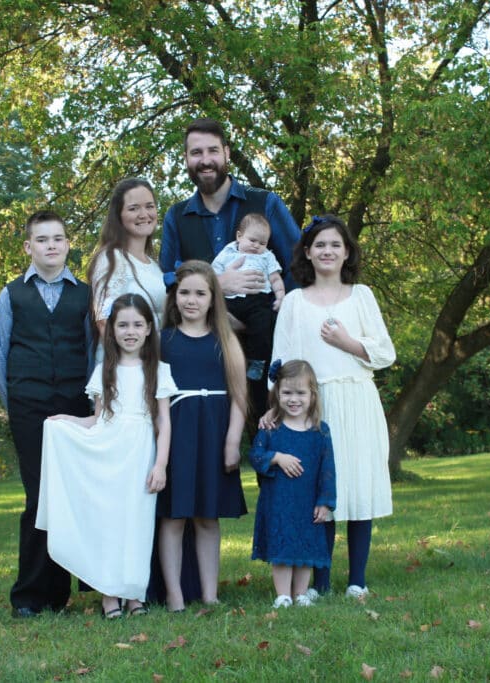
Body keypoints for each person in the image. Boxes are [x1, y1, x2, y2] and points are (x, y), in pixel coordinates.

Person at [269, 214, 396, 600]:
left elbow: (385, 354)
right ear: (307, 252)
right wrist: (277, 408)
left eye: (335, 245)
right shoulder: (294, 301)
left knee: (358, 485)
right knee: (319, 489)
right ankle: (318, 581)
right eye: (320, 245)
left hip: (357, 401)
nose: (327, 251)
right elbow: (281, 361)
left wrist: (347, 342)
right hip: (313, 408)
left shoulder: (362, 296)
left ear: (346, 253)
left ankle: (357, 578)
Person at [36, 294, 176, 619]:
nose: (130, 331)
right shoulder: (105, 370)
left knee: (137, 524)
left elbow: (163, 421)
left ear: (148, 328)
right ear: (111, 330)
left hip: (141, 454)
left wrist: (161, 464)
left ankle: (134, 594)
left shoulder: (158, 370)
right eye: (122, 325)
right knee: (110, 523)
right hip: (108, 452)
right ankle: (109, 595)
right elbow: (97, 420)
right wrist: (65, 422)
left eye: (137, 325)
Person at [158, 117, 301, 416]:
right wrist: (216, 284)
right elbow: (167, 280)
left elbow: (298, 269)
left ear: (227, 153)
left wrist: (271, 314)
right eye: (196, 153)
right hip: (205, 351)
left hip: (269, 350)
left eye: (212, 151)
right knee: (213, 447)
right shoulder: (176, 217)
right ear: (186, 158)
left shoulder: (266, 204)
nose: (205, 160)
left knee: (277, 439)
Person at [0, 210, 91, 617]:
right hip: (28, 408)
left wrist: (89, 405)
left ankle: (59, 594)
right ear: (29, 247)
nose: (51, 245)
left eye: (58, 238)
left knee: (66, 497)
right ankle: (29, 596)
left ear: (68, 245)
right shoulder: (11, 294)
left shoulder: (84, 295)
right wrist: (15, 402)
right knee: (37, 497)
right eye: (42, 239)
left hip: (72, 407)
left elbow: (91, 352)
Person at [156, 260, 248, 611]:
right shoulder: (163, 341)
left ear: (213, 299)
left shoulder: (225, 341)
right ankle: (176, 596)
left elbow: (239, 395)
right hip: (177, 434)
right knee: (174, 516)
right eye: (184, 293)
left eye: (200, 293)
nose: (191, 300)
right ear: (173, 297)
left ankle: (210, 594)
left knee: (207, 517)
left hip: (215, 432)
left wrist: (231, 442)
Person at [249, 360, 336, 609]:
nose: (293, 399)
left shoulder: (320, 432)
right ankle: (283, 595)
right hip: (279, 502)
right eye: (287, 393)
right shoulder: (271, 429)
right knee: (284, 548)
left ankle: (300, 593)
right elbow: (255, 456)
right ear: (277, 394)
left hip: (308, 501)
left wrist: (325, 501)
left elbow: (328, 470)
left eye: (300, 393)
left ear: (312, 395)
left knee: (305, 549)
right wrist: (276, 457)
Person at [88, 178, 167, 341]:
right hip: (124, 363)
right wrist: (130, 363)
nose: (144, 214)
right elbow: (104, 321)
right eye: (133, 208)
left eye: (149, 206)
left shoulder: (154, 265)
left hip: (154, 361)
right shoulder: (111, 259)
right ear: (119, 216)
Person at [211, 212, 286, 381]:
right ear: (239, 236)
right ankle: (219, 360)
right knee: (218, 323)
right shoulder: (227, 252)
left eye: (262, 243)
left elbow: (275, 278)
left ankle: (257, 361)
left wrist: (280, 296)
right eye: (252, 240)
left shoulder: (267, 256)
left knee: (262, 327)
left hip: (258, 301)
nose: (256, 246)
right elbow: (212, 274)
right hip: (231, 300)